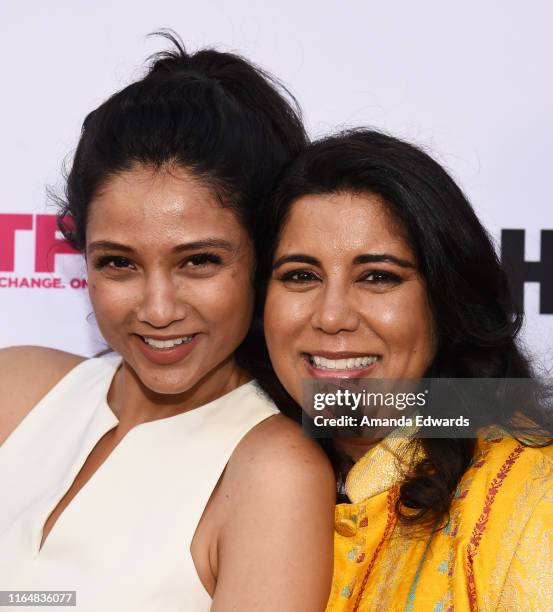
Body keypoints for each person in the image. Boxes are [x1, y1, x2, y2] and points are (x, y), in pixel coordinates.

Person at [0, 34, 335, 612]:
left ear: (264, 257)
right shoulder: (19, 385)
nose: (157, 309)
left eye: (199, 261)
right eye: (118, 263)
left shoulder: (272, 471)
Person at [256, 129, 553, 610]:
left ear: (445, 303)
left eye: (378, 277)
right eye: (300, 275)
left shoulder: (531, 503)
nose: (331, 317)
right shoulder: (238, 478)